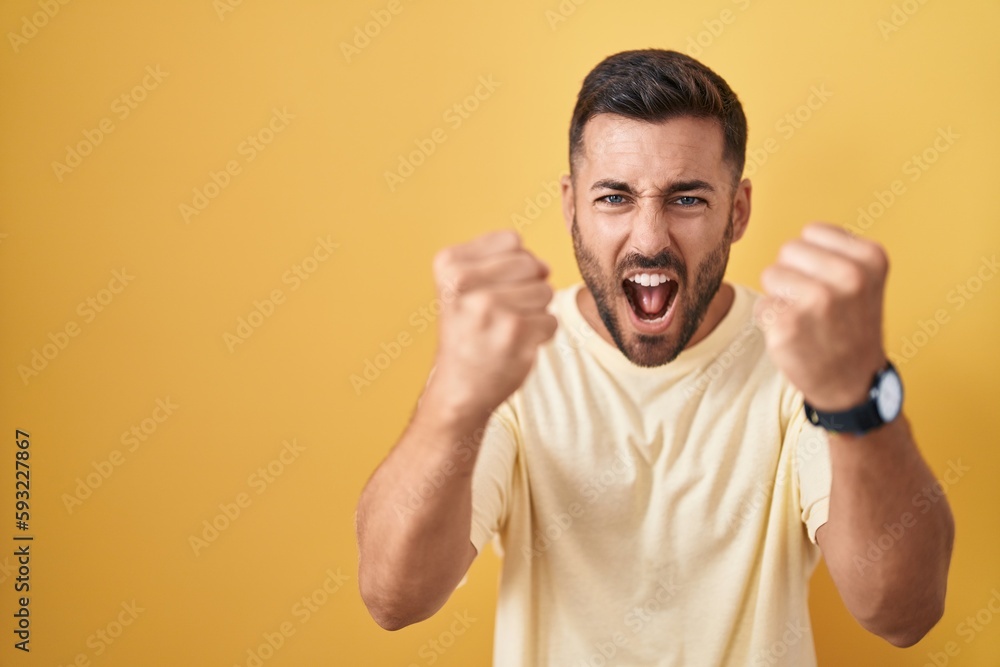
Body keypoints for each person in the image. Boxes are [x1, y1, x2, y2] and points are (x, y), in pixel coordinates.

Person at [355, 48, 955, 666]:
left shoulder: (801, 357)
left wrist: (857, 399)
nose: (648, 239)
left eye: (687, 199)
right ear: (569, 207)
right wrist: (453, 402)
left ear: (738, 210)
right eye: (614, 198)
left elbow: (902, 613)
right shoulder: (508, 359)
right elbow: (394, 598)